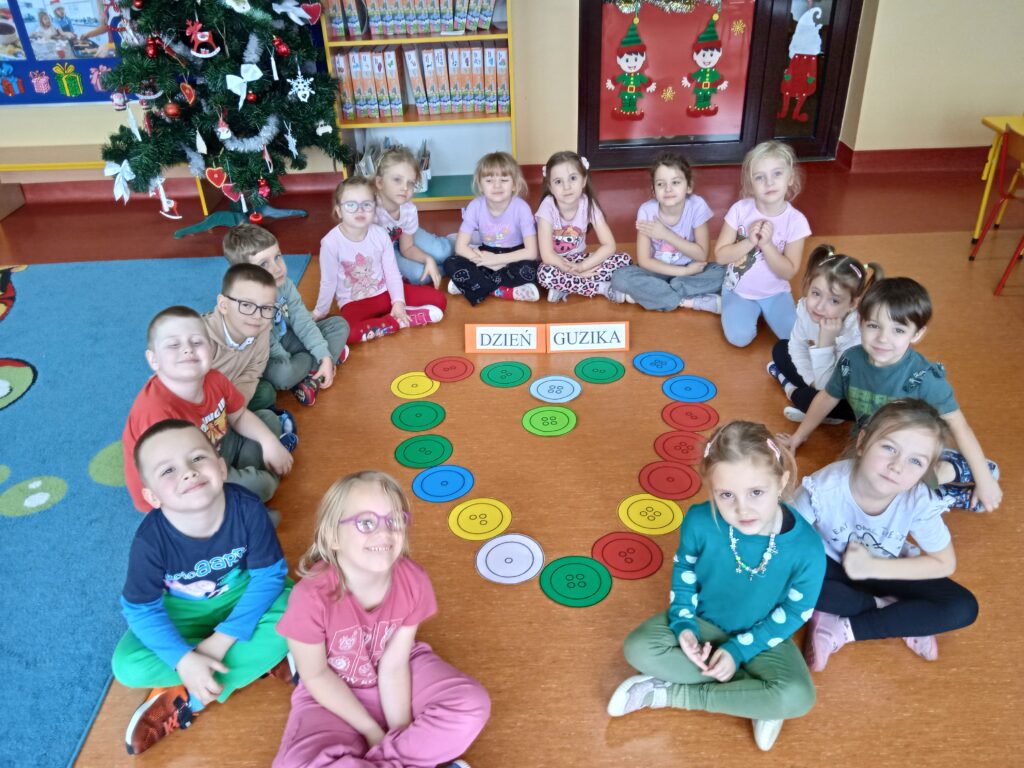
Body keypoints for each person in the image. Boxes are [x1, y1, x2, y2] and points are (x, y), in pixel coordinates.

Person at [608, 422, 825, 752]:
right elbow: (685, 572)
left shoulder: (808, 548)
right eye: (726, 495)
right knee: (638, 648)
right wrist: (683, 624)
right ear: (711, 489)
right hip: (704, 623)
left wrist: (738, 651)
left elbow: (796, 612)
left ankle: (673, 693)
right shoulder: (699, 521)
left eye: (756, 492)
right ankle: (753, 698)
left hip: (763, 636)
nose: (742, 509)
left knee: (797, 697)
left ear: (781, 482)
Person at [273, 471, 491, 768]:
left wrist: (397, 733)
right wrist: (372, 731)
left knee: (470, 705)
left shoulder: (414, 580)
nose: (384, 532)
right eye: (365, 523)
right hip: (333, 694)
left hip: (403, 675)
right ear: (332, 536)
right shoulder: (308, 598)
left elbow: (395, 665)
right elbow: (316, 676)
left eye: (394, 521)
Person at [112, 420, 293, 756]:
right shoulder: (150, 541)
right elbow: (140, 609)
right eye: (168, 470)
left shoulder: (247, 508)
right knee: (126, 666)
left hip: (244, 596)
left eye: (197, 458)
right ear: (151, 497)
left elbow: (269, 577)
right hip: (183, 613)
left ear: (221, 468)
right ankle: (256, 663)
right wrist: (183, 659)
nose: (188, 472)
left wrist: (217, 643)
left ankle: (190, 698)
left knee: (299, 609)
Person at [780, 277, 1002, 513]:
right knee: (859, 488)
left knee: (889, 486)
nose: (883, 338)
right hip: (871, 445)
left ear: (917, 334)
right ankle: (940, 495)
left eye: (898, 330)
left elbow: (959, 426)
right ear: (860, 322)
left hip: (910, 449)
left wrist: (984, 481)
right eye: (874, 326)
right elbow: (827, 397)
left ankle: (952, 471)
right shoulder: (850, 361)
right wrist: (799, 436)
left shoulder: (925, 378)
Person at [791, 399, 979, 671]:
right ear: (863, 442)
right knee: (787, 583)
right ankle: (898, 613)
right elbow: (782, 543)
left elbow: (944, 563)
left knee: (962, 607)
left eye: (915, 461)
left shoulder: (918, 500)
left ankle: (844, 628)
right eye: (889, 448)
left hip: (883, 567)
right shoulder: (823, 488)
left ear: (925, 471)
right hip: (829, 567)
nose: (897, 466)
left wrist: (870, 567)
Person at [122, 306, 293, 514]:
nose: (187, 349)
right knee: (264, 485)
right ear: (153, 359)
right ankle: (245, 498)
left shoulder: (214, 379)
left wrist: (269, 442)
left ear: (210, 349)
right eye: (173, 345)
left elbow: (239, 416)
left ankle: (244, 496)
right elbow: (180, 478)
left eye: (197, 342)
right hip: (184, 478)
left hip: (214, 448)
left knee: (267, 419)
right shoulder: (156, 413)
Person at [223, 224, 350, 407]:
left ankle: (313, 372)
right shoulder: (245, 305)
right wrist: (317, 355)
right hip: (267, 354)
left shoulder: (285, 284)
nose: (277, 268)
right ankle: (320, 366)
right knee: (284, 375)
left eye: (277, 257)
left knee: (339, 325)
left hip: (287, 338)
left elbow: (302, 321)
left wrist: (323, 355)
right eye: (264, 264)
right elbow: (269, 346)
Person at [313, 176, 446, 344]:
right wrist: (320, 312)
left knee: (439, 300)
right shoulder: (330, 243)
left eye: (366, 205)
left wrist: (398, 302)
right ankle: (395, 322)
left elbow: (392, 273)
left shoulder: (380, 235)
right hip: (355, 303)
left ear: (374, 209)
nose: (359, 210)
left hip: (386, 293)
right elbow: (328, 282)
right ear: (339, 211)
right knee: (346, 333)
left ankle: (398, 314)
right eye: (351, 205)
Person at [767, 244, 882, 424]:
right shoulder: (806, 309)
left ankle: (791, 390)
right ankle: (816, 408)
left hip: (849, 394)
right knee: (780, 349)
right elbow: (796, 347)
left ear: (853, 304)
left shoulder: (857, 334)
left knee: (812, 400)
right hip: (822, 379)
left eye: (834, 300)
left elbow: (831, 387)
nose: (819, 306)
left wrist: (826, 342)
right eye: (816, 293)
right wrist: (811, 382)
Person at [713, 141, 810, 347]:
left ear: (790, 178)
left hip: (776, 294)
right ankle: (730, 304)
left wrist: (767, 245)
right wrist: (750, 241)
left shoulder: (797, 221)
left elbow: (788, 272)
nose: (769, 182)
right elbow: (720, 256)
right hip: (738, 291)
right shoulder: (740, 210)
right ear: (750, 185)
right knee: (739, 338)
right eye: (760, 177)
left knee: (796, 339)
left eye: (777, 174)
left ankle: (767, 312)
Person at [610, 151, 725, 312]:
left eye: (675, 182)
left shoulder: (697, 205)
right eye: (660, 184)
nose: (668, 189)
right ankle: (689, 301)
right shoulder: (647, 211)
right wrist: (683, 272)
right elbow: (644, 261)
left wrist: (666, 234)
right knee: (620, 278)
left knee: (724, 272)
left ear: (689, 186)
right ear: (653, 190)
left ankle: (655, 294)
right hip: (659, 270)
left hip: (692, 269)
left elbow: (702, 255)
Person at [534, 150, 631, 303]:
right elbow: (547, 255)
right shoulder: (547, 207)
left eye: (573, 178)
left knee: (624, 260)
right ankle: (602, 288)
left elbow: (609, 245)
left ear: (584, 180)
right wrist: (575, 272)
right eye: (558, 182)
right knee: (543, 274)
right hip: (556, 264)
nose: (566, 187)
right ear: (550, 187)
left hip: (580, 260)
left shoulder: (588, 204)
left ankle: (565, 286)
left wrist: (583, 267)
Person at [444, 151, 540, 304]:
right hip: (485, 254)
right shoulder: (475, 206)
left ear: (514, 184)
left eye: (504, 180)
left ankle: (474, 286)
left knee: (531, 270)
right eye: (489, 180)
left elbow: (531, 252)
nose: (497, 186)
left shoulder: (522, 208)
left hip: (513, 256)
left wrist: (498, 260)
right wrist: (485, 260)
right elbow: (460, 247)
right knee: (451, 262)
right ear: (480, 184)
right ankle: (504, 291)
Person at [203, 263, 281, 415]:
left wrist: (235, 411)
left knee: (266, 393)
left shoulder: (261, 329)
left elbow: (252, 371)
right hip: (197, 406)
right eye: (246, 305)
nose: (257, 316)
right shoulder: (199, 340)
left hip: (228, 393)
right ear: (223, 305)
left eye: (266, 308)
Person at [374, 146, 453, 287]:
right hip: (384, 252)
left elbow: (407, 247)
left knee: (443, 252)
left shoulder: (408, 209)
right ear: (380, 182)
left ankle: (453, 243)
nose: (405, 188)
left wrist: (428, 259)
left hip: (404, 238)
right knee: (419, 275)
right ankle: (446, 267)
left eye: (410, 183)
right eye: (397, 179)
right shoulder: (370, 211)